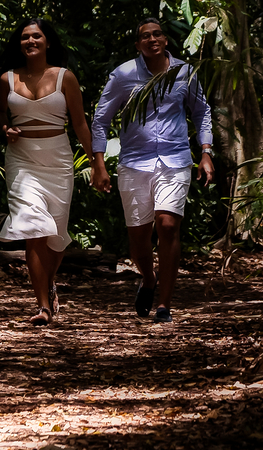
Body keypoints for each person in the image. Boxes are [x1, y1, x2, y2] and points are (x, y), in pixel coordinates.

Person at [90, 18, 214, 323]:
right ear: (138, 45)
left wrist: (206, 153)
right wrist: (99, 164)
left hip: (175, 159)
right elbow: (100, 120)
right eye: (144, 36)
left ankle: (164, 305)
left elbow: (201, 112)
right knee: (139, 239)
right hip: (134, 163)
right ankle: (148, 278)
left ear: (165, 40)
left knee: (168, 225)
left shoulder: (184, 72)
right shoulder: (123, 75)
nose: (151, 39)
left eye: (157, 33)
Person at [0, 19, 94, 326]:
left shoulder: (65, 78)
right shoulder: (7, 79)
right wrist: (4, 128)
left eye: (37, 36)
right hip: (21, 160)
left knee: (56, 236)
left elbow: (80, 124)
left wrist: (96, 163)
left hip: (59, 161)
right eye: (25, 37)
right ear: (19, 44)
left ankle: (48, 283)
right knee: (33, 227)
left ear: (48, 42)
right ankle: (43, 306)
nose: (30, 41)